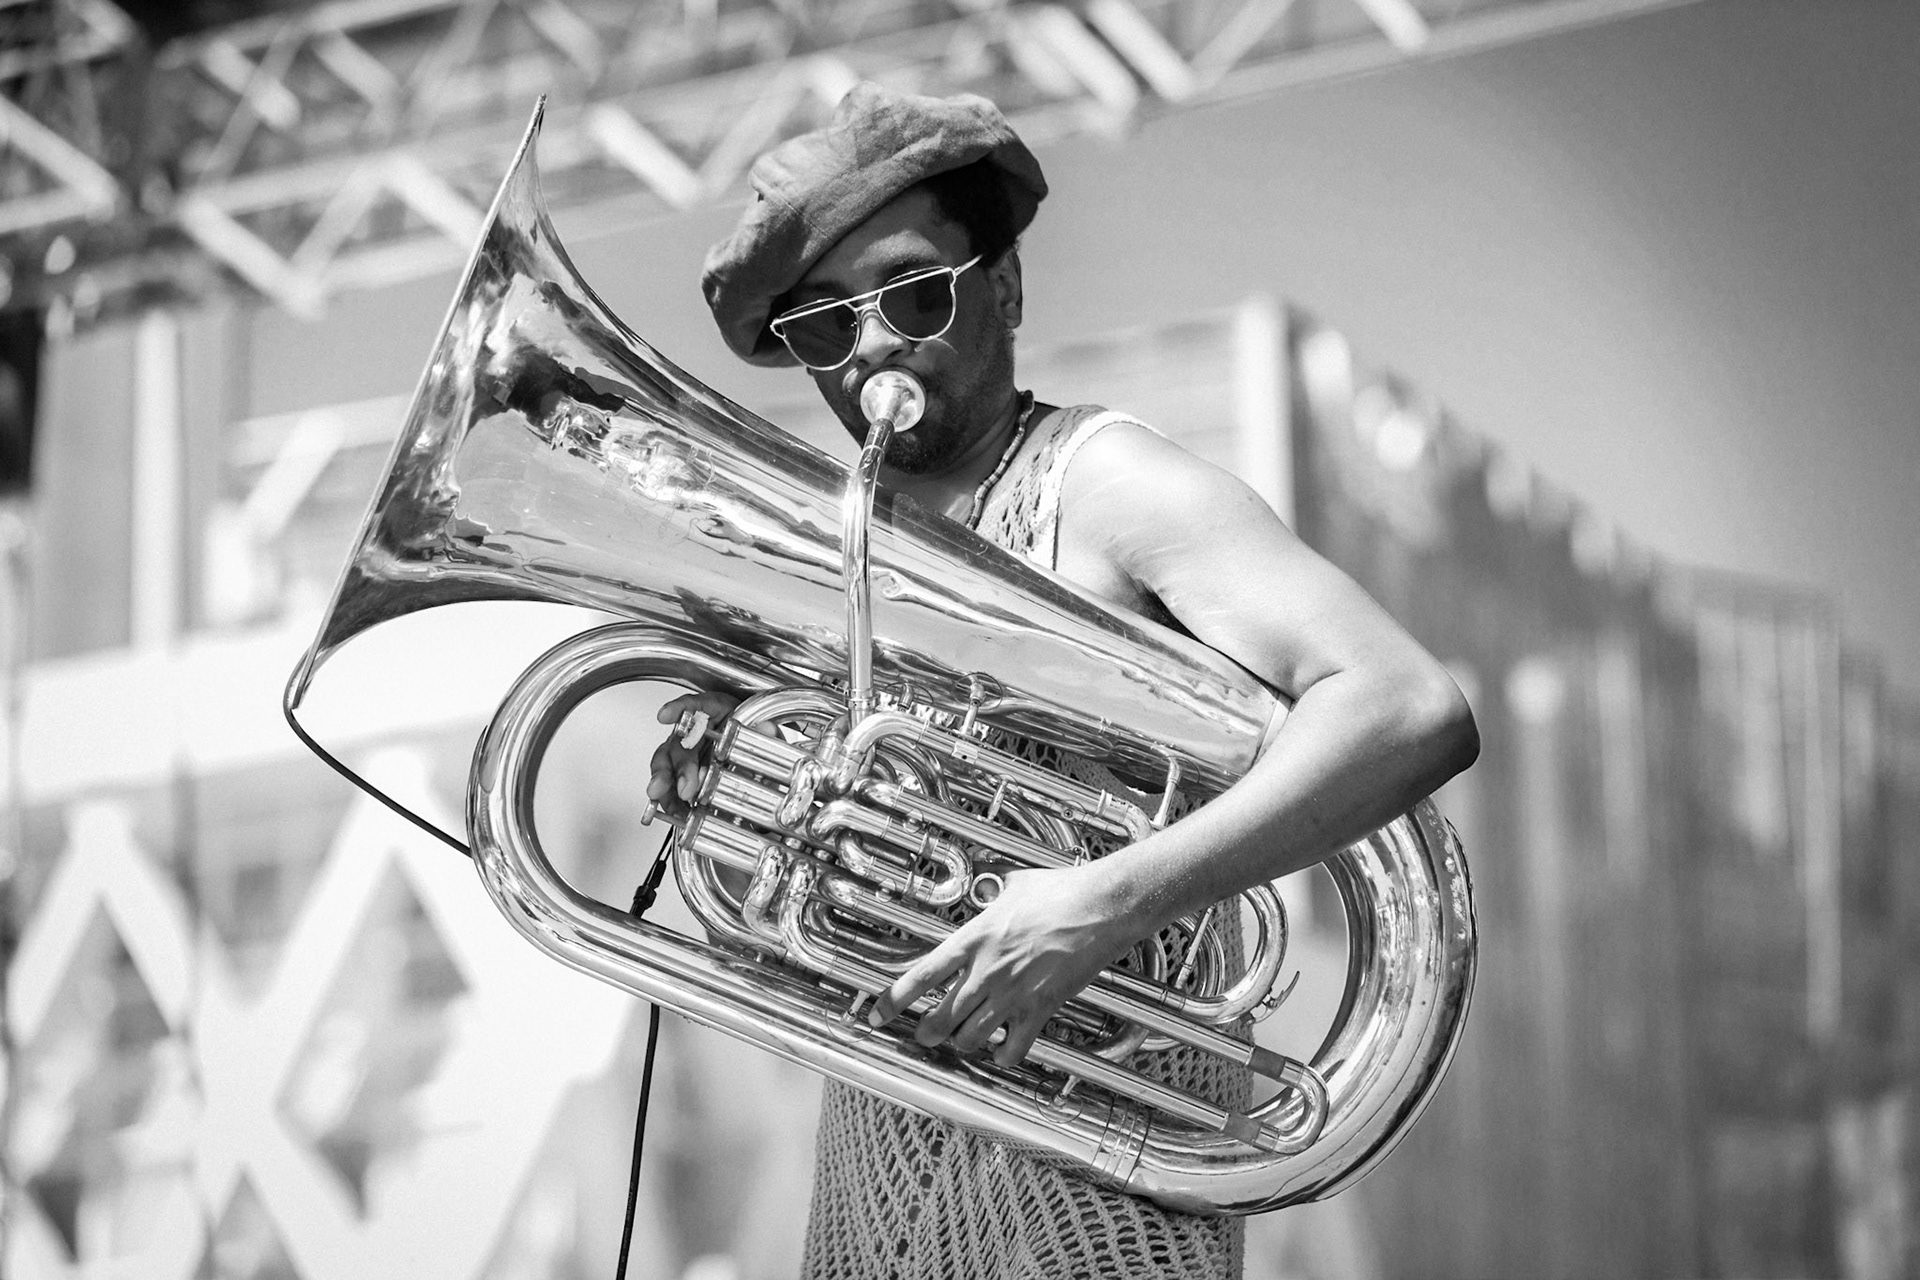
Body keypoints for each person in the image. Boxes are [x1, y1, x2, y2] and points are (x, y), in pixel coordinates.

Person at [650, 82, 1479, 1279]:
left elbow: (1408, 707)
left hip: (1102, 1194)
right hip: (873, 1185)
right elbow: (826, 926)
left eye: (910, 291)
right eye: (824, 327)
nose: (872, 343)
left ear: (1006, 287)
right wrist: (729, 810)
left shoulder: (1104, 482)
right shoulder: (840, 564)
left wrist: (1107, 899)